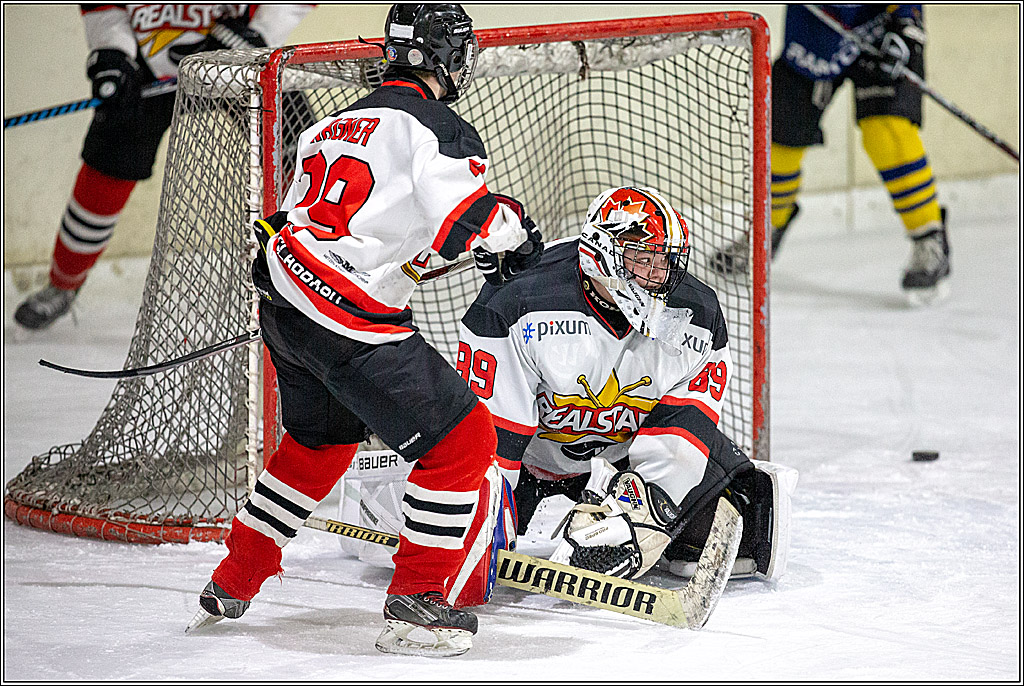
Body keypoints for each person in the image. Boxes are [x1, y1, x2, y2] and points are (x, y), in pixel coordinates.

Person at [188, 4, 542, 658]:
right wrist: (514, 235)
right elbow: (470, 214)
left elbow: (388, 239)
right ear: (452, 56)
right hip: (346, 318)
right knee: (464, 440)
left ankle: (236, 573)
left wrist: (469, 247)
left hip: (287, 308)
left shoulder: (327, 126)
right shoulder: (441, 128)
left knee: (320, 442)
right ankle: (418, 601)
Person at [456, 186, 797, 582]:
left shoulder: (697, 315)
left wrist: (641, 514)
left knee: (743, 513)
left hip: (621, 461)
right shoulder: (515, 303)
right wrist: (487, 522)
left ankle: (651, 533)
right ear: (600, 252)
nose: (656, 276)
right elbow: (493, 439)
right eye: (641, 260)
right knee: (465, 535)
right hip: (529, 459)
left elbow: (680, 437)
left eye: (664, 262)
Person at [14, 3, 314, 330]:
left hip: (241, 54)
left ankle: (316, 272)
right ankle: (64, 282)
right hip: (147, 64)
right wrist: (113, 52)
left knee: (300, 153)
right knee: (109, 166)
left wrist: (260, 31)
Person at [709, 5, 950, 306]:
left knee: (887, 133)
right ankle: (767, 229)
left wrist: (906, 23)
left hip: (882, 26)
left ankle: (928, 239)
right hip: (816, 30)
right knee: (781, 141)